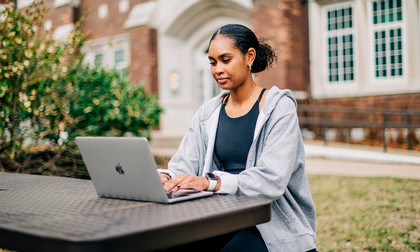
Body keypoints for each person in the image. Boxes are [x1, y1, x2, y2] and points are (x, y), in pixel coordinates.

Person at [158, 24, 317, 251]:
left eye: (225, 59)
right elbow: (184, 164)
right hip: (221, 216)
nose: (217, 70)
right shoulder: (208, 113)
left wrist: (210, 182)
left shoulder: (279, 107)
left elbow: (271, 180)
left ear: (249, 57)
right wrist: (167, 177)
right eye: (212, 62)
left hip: (271, 222)